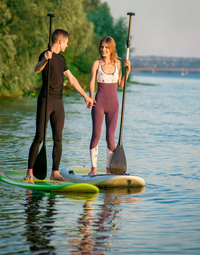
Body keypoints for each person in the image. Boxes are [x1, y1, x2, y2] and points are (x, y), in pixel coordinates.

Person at [24, 29, 94, 181]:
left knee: (58, 138)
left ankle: (54, 172)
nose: (67, 45)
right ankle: (29, 172)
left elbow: (72, 79)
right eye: (66, 42)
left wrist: (85, 96)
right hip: (46, 100)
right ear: (61, 41)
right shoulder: (45, 54)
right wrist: (45, 60)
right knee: (39, 137)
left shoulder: (62, 59)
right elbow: (37, 69)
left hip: (58, 103)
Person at [89, 36, 131, 175]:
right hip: (99, 103)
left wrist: (127, 72)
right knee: (96, 135)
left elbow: (121, 84)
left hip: (113, 105)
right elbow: (91, 82)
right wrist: (90, 96)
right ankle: (93, 169)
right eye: (102, 47)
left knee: (110, 137)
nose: (103, 49)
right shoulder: (97, 63)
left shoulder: (118, 64)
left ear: (111, 49)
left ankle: (109, 170)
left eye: (106, 47)